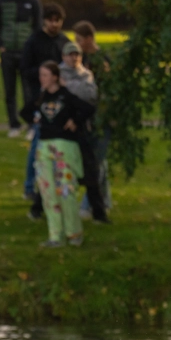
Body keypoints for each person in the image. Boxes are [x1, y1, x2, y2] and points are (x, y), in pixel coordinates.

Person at [25, 61, 93, 247]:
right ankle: (55, 234)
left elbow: (87, 108)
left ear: (55, 76)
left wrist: (75, 121)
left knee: (65, 190)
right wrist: (35, 120)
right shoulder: (41, 98)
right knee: (48, 191)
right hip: (44, 147)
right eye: (41, 75)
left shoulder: (66, 96)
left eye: (45, 75)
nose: (42, 79)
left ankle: (73, 233)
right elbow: (24, 111)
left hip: (64, 146)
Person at [21, 3, 69, 218]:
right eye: (50, 20)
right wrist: (44, 77)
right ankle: (30, 185)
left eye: (57, 20)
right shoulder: (34, 41)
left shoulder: (64, 42)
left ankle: (54, 183)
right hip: (39, 98)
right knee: (37, 143)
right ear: (44, 21)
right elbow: (25, 69)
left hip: (59, 100)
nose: (54, 24)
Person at [59, 41, 108, 224]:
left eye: (77, 55)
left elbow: (91, 96)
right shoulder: (58, 73)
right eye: (71, 55)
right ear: (64, 56)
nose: (74, 58)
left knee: (91, 171)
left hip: (82, 126)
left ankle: (99, 212)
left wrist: (68, 87)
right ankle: (42, 207)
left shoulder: (86, 74)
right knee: (59, 170)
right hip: (61, 129)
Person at [0, 0, 41, 138]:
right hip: (8, 52)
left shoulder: (32, 0)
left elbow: (38, 26)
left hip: (27, 54)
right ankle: (13, 124)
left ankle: (31, 125)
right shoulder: (2, 1)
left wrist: (33, 49)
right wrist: (0, 45)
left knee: (29, 91)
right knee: (9, 91)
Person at [74, 20, 114, 217]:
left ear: (89, 39)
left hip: (103, 116)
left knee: (95, 161)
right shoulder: (82, 60)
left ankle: (89, 203)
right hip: (90, 117)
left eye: (79, 39)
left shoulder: (101, 61)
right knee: (99, 160)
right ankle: (105, 199)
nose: (76, 43)